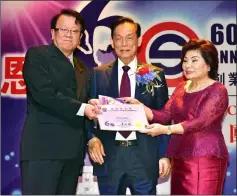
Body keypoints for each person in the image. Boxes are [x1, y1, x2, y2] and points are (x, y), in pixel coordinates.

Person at [124, 39, 229, 195]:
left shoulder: (218, 90)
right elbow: (166, 114)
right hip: (180, 158)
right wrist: (140, 107)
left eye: (194, 60)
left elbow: (200, 122)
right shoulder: (181, 87)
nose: (187, 65)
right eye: (185, 60)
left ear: (209, 64)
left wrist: (165, 130)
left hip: (205, 158)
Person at [87, 17, 171, 195]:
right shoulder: (97, 74)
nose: (124, 43)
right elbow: (88, 112)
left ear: (139, 40)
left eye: (129, 37)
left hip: (143, 156)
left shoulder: (155, 74)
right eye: (118, 38)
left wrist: (164, 154)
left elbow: (165, 115)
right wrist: (91, 138)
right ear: (111, 41)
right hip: (109, 157)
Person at [20, 9, 100, 195]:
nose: (69, 35)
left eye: (74, 31)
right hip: (43, 150)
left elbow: (82, 101)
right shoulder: (38, 55)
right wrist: (83, 107)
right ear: (52, 32)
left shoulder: (83, 69)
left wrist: (93, 103)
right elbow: (44, 95)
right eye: (64, 29)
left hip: (73, 153)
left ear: (80, 37)